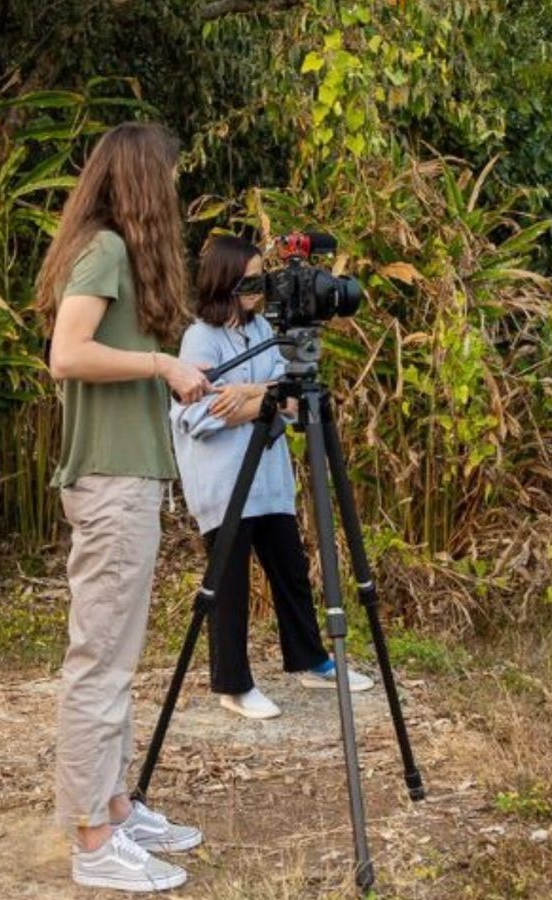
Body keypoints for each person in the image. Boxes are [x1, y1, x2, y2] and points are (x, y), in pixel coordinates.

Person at [37, 121, 214, 893]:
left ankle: (114, 800)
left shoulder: (110, 252)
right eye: (168, 177)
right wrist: (162, 363)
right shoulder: (106, 247)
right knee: (100, 662)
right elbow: (66, 354)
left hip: (126, 477)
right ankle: (92, 838)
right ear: (144, 179)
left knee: (116, 656)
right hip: (110, 483)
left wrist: (165, 376)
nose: (173, 190)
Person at [169, 236, 373, 721]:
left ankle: (310, 660)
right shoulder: (201, 337)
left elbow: (294, 398)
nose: (259, 289)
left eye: (262, 278)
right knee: (229, 584)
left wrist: (247, 394)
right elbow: (200, 415)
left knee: (291, 571)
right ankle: (233, 685)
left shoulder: (265, 328)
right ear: (225, 279)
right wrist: (261, 399)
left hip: (269, 479)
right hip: (224, 483)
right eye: (250, 279)